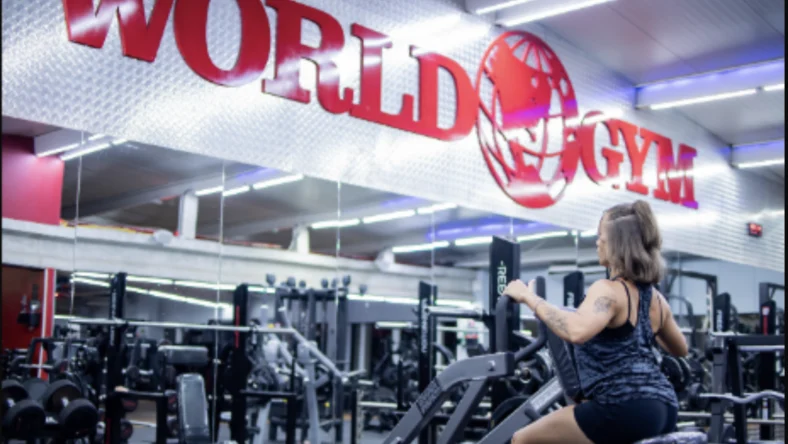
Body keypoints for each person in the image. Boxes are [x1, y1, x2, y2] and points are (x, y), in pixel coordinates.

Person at [504, 200, 688, 444]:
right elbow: (680, 349)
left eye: (601, 235)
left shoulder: (608, 291)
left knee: (523, 440)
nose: (597, 242)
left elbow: (575, 330)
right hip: (664, 405)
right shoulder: (656, 299)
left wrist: (529, 297)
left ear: (617, 244)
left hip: (623, 406)